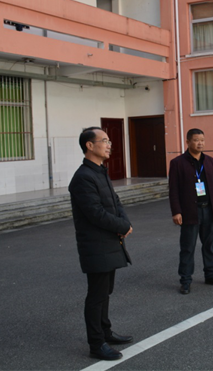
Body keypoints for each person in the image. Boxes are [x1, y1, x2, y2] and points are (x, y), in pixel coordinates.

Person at [69, 127, 133, 361]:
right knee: (96, 295)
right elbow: (95, 213)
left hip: (109, 241)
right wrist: (121, 226)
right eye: (104, 141)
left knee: (106, 291)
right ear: (89, 145)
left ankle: (105, 332)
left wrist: (124, 222)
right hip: (95, 245)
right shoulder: (83, 177)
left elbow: (115, 202)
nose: (109, 145)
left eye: (109, 141)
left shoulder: (100, 172)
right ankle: (96, 344)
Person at [169, 128, 213, 295]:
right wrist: (176, 211)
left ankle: (211, 275)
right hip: (189, 212)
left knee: (209, 245)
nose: (200, 143)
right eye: (196, 140)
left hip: (209, 209)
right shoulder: (177, 163)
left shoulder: (209, 161)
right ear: (188, 142)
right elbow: (173, 190)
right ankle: (185, 280)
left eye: (202, 140)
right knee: (188, 247)